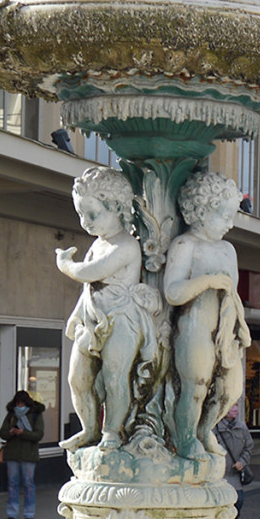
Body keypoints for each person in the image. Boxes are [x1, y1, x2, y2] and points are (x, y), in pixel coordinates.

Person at [57, 167, 162, 451]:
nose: (86, 222)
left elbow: (91, 273)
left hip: (122, 318)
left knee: (116, 377)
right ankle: (88, 429)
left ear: (116, 208)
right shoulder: (97, 243)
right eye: (81, 214)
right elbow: (89, 288)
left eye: (93, 214)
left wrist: (66, 264)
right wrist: (76, 315)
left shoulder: (126, 245)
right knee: (77, 378)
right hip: (92, 319)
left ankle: (112, 431)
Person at [163, 171, 252, 461]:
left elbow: (233, 294)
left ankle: (205, 429)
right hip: (194, 327)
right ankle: (187, 438)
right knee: (196, 386)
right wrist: (208, 281)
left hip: (224, 330)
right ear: (200, 211)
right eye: (223, 215)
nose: (230, 223)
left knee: (230, 390)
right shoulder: (186, 245)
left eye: (232, 216)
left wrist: (238, 329)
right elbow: (173, 292)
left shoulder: (228, 249)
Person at [0, 390, 45, 519]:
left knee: (28, 484)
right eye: (18, 404)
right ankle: (12, 513)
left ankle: (29, 513)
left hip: (29, 454)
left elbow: (38, 435)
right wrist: (11, 432)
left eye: (22, 403)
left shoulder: (36, 415)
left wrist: (23, 433)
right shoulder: (11, 415)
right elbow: (2, 433)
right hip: (12, 453)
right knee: (12, 484)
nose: (20, 406)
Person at [213, 404, 253, 519]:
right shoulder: (214, 429)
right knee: (220, 504)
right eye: (232, 407)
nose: (235, 409)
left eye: (236, 406)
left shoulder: (242, 427)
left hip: (234, 474)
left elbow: (249, 447)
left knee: (238, 502)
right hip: (219, 475)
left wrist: (243, 461)